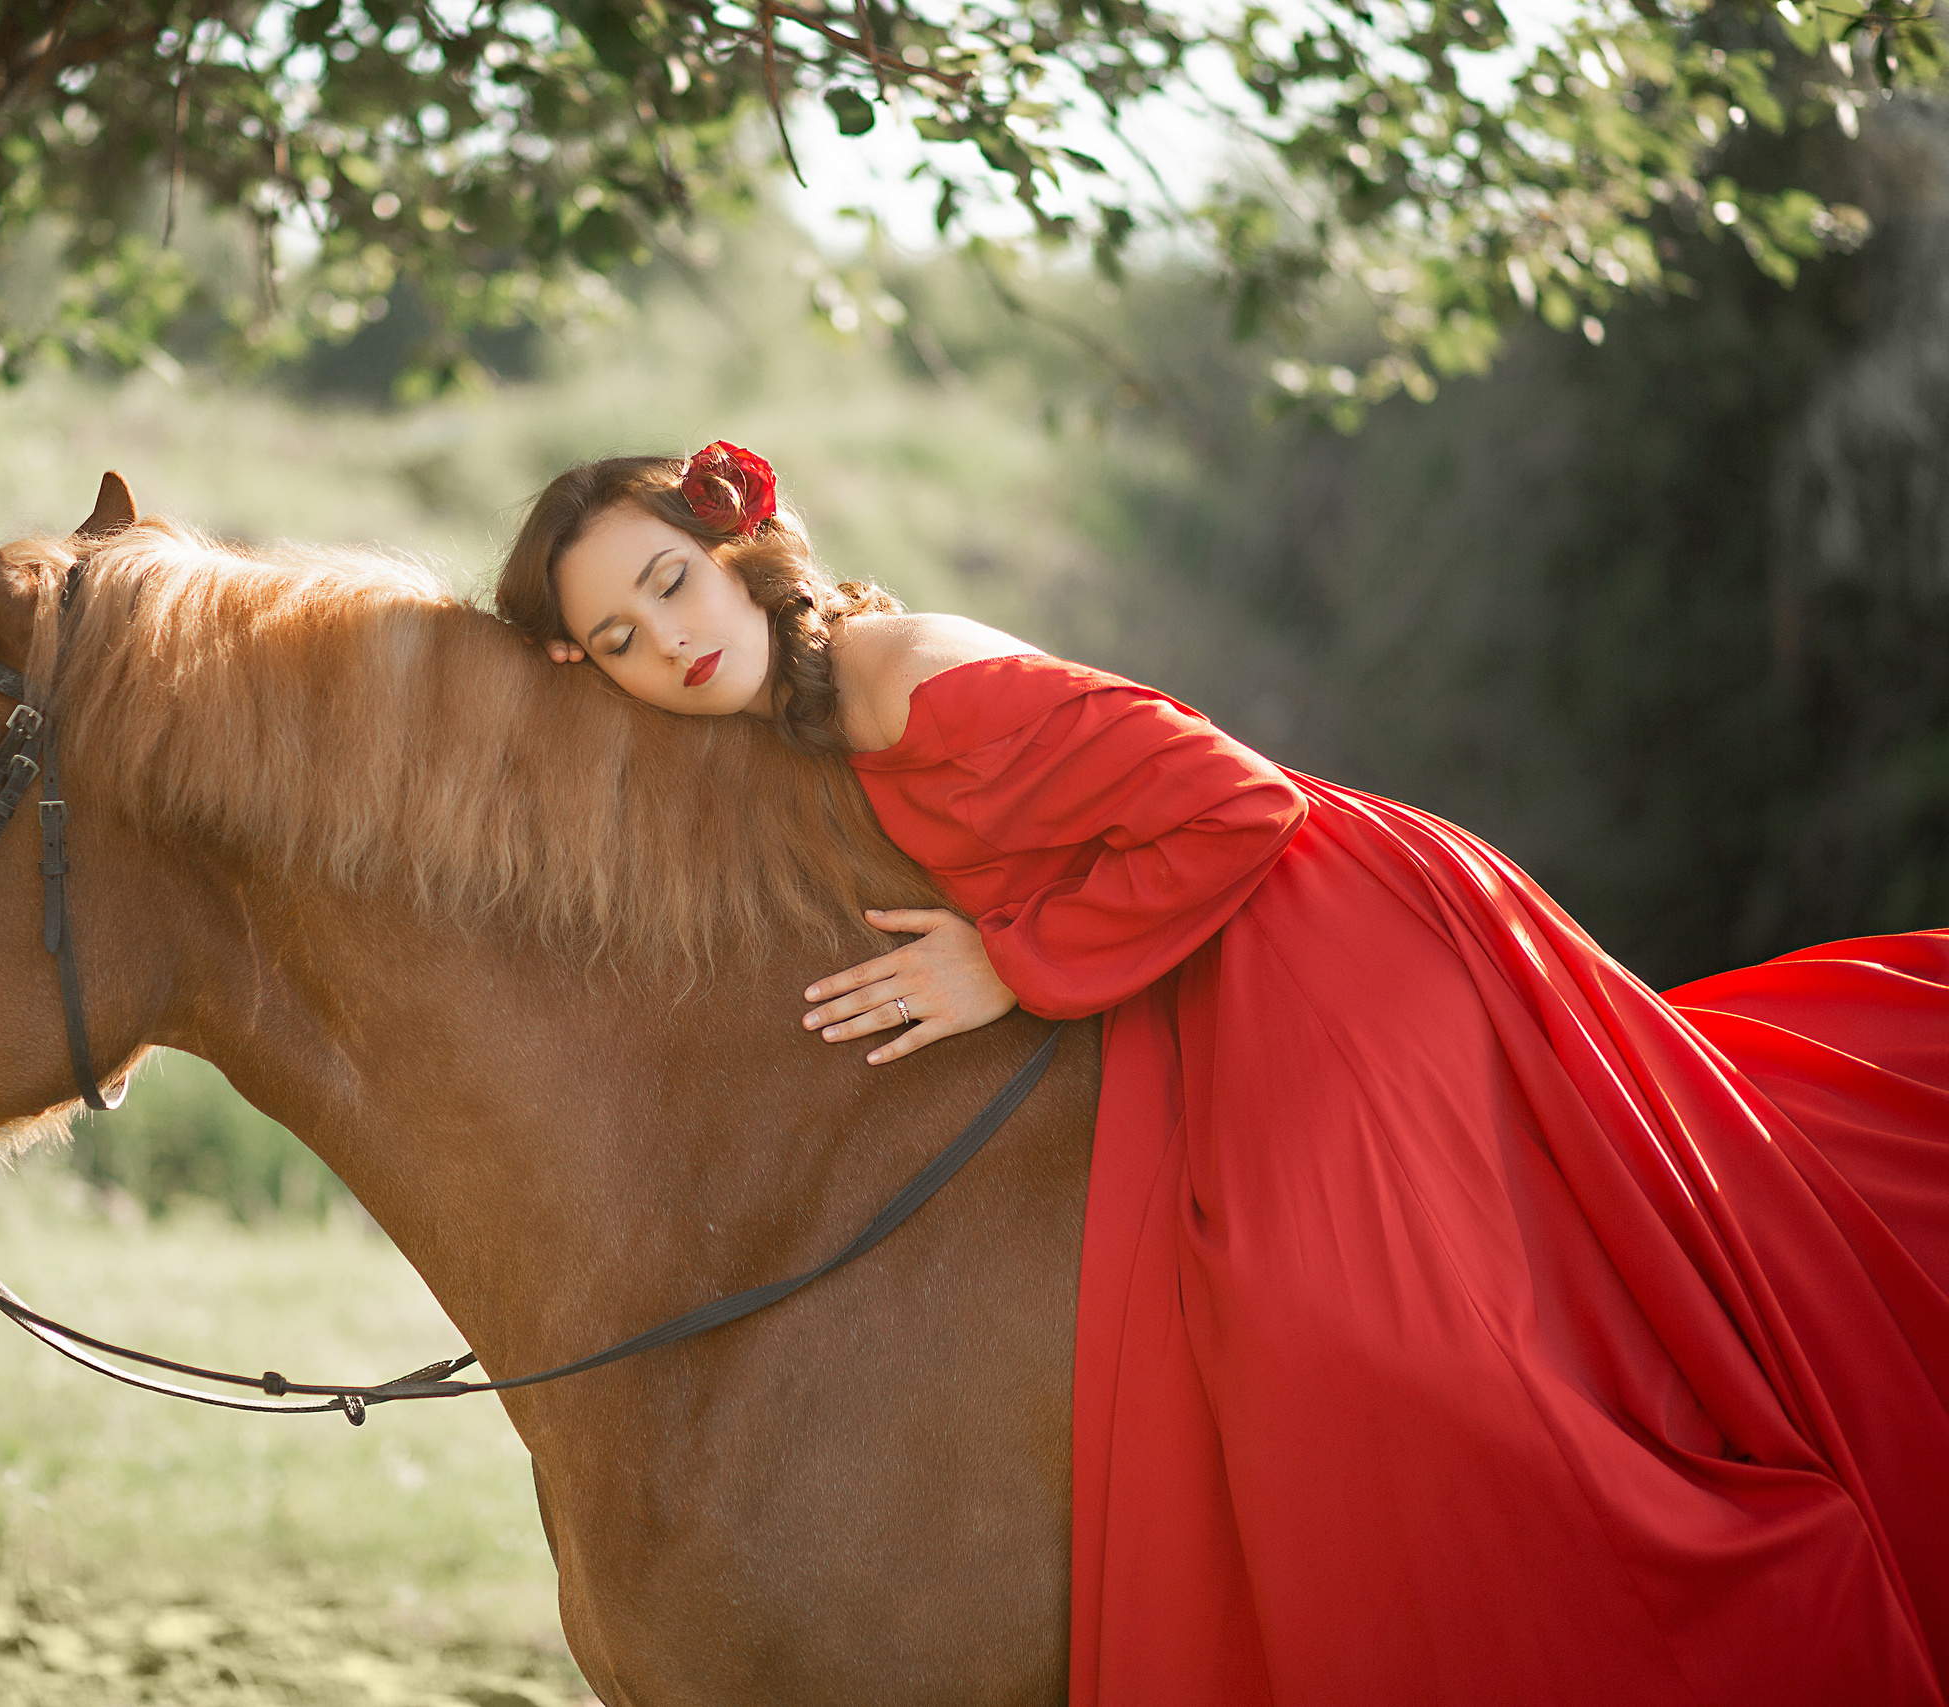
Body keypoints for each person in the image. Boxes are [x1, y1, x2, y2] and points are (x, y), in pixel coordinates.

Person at [494, 442, 1949, 1706]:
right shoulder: (795, 713)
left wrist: (1008, 965)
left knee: (1371, 1331)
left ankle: (1694, 1594)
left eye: (669, 583)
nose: (666, 641)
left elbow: (1235, 802)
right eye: (617, 640)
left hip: (1327, 938)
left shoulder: (908, 675)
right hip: (1198, 966)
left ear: (738, 551)